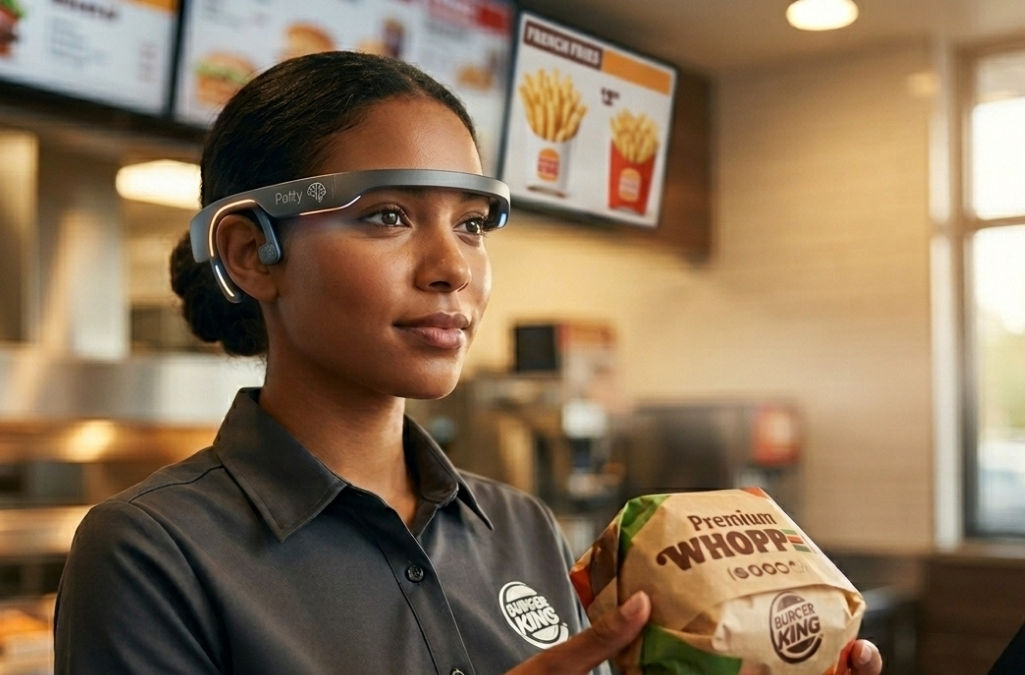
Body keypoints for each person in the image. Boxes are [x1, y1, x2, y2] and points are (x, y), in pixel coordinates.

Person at [53, 51, 883, 675]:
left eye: (474, 224)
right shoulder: (151, 551)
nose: (452, 266)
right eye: (386, 216)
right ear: (253, 254)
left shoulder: (520, 526)